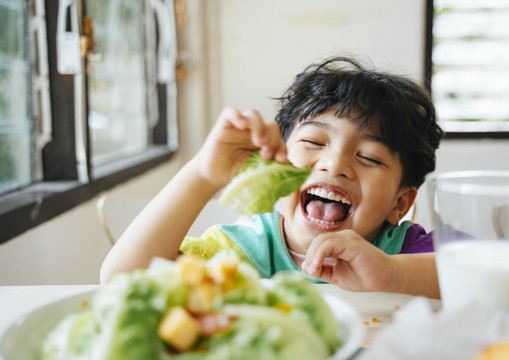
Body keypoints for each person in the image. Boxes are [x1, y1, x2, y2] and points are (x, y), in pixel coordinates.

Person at [100, 56, 444, 298]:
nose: (333, 164)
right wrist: (202, 177)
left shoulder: (404, 252)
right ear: (278, 159)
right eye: (313, 141)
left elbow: (482, 276)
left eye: (369, 157)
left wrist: (391, 274)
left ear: (400, 202)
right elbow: (122, 281)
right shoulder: (240, 253)